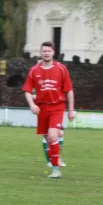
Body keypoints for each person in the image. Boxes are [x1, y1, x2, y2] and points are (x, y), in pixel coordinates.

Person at [23, 41, 75, 178]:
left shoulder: (61, 69)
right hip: (42, 108)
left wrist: (71, 110)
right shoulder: (34, 70)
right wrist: (32, 105)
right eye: (44, 51)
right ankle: (54, 166)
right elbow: (27, 91)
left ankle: (56, 169)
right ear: (41, 53)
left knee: (53, 136)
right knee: (48, 139)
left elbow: (69, 90)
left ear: (53, 53)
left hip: (57, 106)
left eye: (49, 51)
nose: (46, 53)